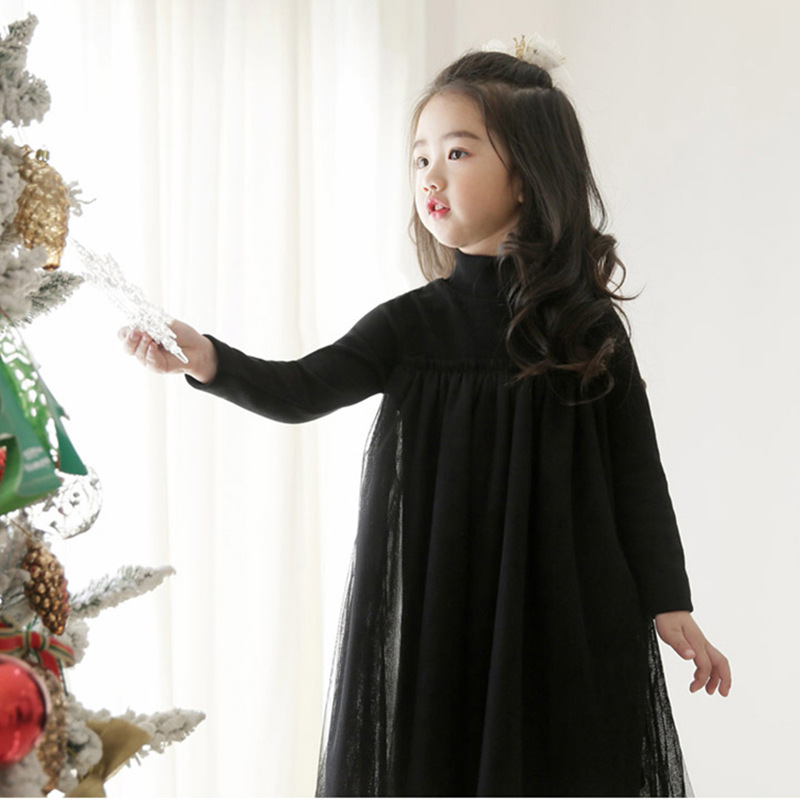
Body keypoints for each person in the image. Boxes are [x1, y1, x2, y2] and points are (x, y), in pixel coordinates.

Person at [122, 42, 731, 797]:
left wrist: (670, 600)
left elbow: (637, 471)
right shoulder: (410, 326)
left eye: (457, 152)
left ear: (526, 175)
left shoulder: (585, 327)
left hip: (570, 605)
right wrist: (209, 358)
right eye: (420, 159)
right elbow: (303, 387)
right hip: (446, 606)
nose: (430, 177)